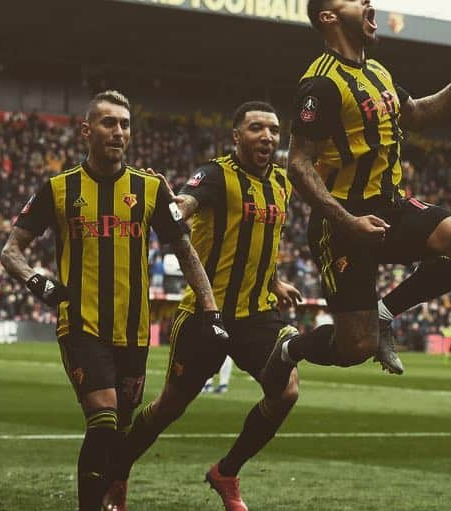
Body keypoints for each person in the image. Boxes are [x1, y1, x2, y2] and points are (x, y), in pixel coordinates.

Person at [0, 90, 226, 511]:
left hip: (135, 329)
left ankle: (112, 492)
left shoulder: (151, 189)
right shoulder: (59, 188)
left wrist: (211, 310)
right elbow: (11, 250)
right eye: (108, 123)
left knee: (118, 432)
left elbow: (186, 251)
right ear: (86, 130)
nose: (118, 131)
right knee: (103, 422)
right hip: (81, 324)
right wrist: (37, 281)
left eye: (124, 124)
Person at [261, 0, 451, 390]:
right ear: (328, 17)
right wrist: (348, 222)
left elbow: (417, 114)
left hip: (392, 208)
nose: (368, 2)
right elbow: (298, 165)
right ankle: (290, 347)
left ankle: (385, 313)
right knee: (356, 348)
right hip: (342, 225)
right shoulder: (320, 85)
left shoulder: (378, 72)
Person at [104, 102, 305, 511]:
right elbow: (185, 205)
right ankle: (118, 471)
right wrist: (171, 206)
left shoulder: (282, 183)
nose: (266, 136)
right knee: (168, 408)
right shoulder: (214, 175)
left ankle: (226, 472)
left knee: (285, 391)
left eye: (272, 129)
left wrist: (273, 281)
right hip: (204, 313)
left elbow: (259, 243)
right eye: (255, 128)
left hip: (256, 313)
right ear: (236, 136)